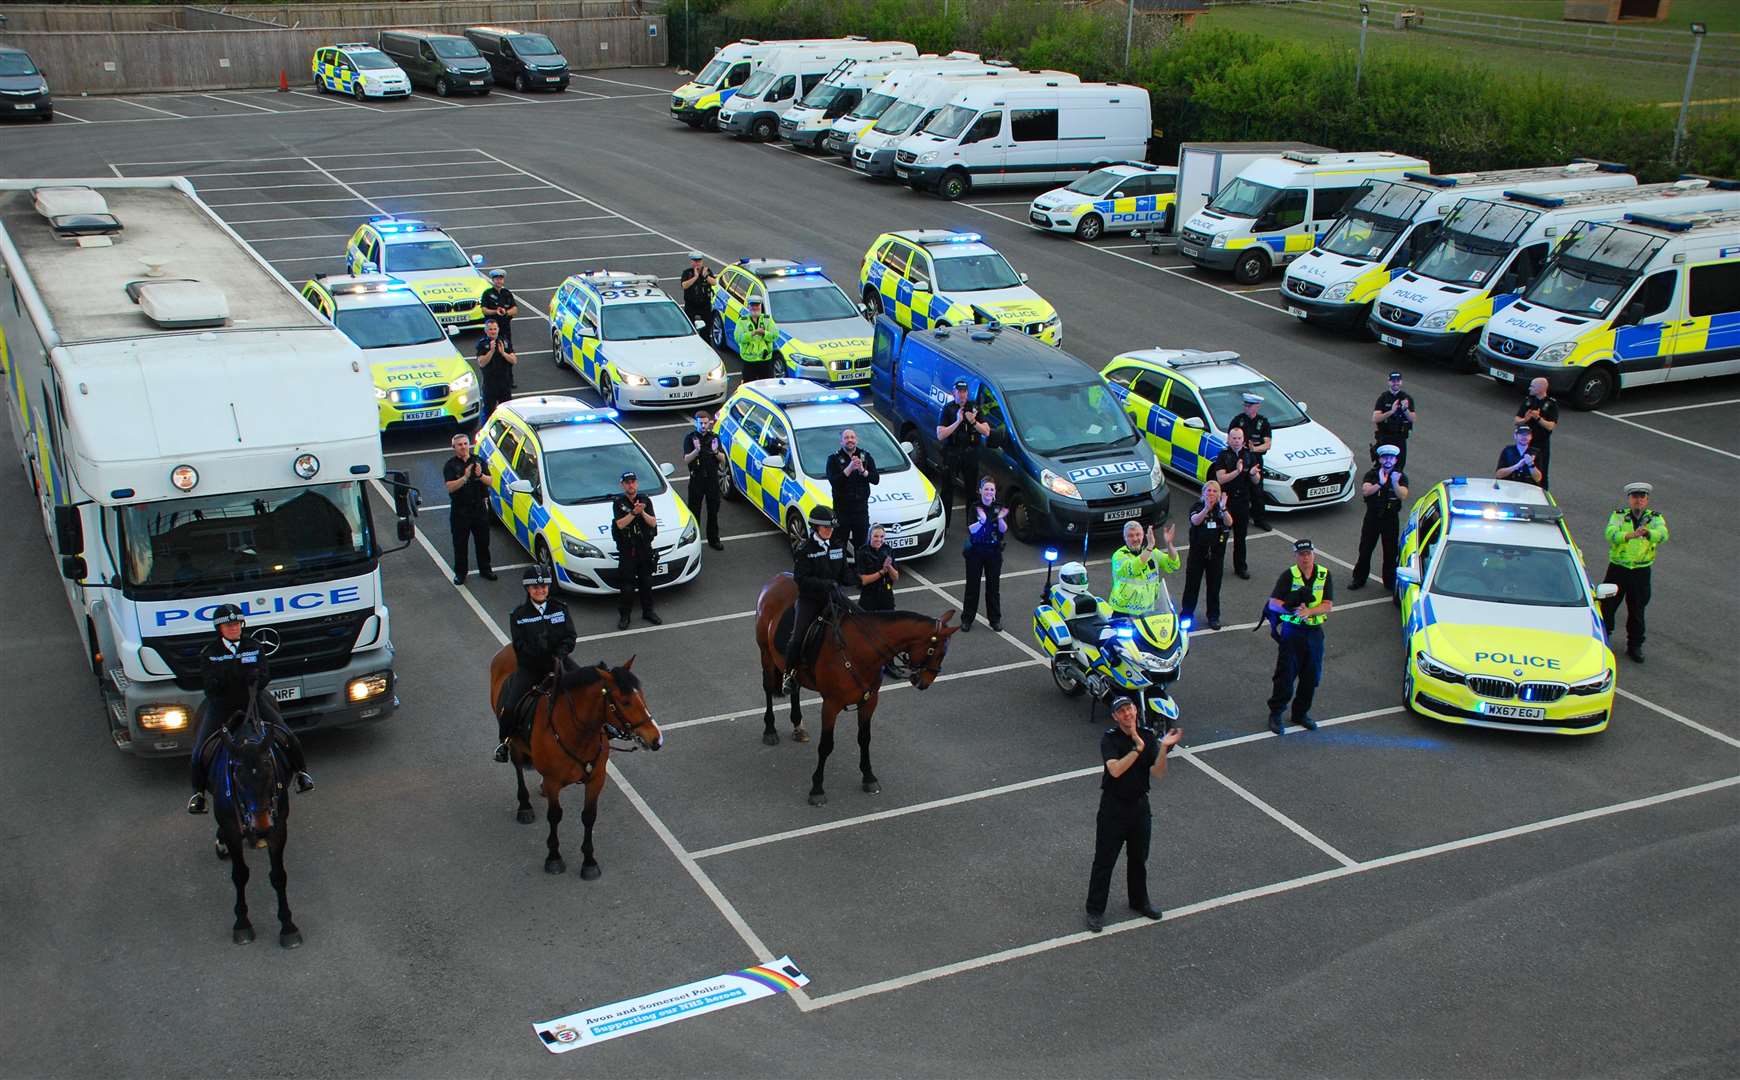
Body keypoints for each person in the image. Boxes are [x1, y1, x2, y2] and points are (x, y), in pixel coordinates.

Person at [187, 605, 312, 813]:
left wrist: (257, 679)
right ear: (220, 629)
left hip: (253, 701)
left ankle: (302, 774)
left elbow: (265, 675)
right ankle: (198, 795)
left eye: (236, 624)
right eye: (229, 625)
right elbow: (209, 686)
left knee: (288, 736)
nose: (234, 628)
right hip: (222, 705)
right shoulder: (210, 653)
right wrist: (224, 680)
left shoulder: (253, 646)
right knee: (199, 750)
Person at [1083, 695, 1182, 933]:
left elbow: (1157, 773)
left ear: (1136, 710)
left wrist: (1163, 750)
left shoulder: (1148, 736)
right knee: (1104, 861)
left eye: (1129, 709)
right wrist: (1137, 749)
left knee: (1139, 858)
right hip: (1113, 808)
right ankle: (1095, 910)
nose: (1127, 714)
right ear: (1116, 717)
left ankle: (1139, 901)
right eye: (1122, 711)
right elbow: (1115, 770)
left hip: (1139, 807)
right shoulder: (1110, 739)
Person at [493, 567, 578, 761]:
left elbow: (570, 636)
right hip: (531, 668)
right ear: (528, 589)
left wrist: (560, 653)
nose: (540, 590)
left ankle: (605, 727)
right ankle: (504, 742)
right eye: (535, 587)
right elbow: (520, 646)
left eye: (543, 586)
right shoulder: (519, 615)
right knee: (511, 705)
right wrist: (539, 652)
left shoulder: (560, 608)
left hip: (559, 660)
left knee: (589, 684)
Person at [782, 505, 855, 694]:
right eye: (825, 527)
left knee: (860, 618)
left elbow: (845, 574)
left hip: (834, 596)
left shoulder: (838, 546)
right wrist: (824, 584)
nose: (829, 530)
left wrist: (856, 575)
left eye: (831, 527)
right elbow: (801, 580)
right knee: (797, 637)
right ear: (815, 527)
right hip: (810, 600)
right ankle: (788, 674)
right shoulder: (805, 550)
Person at [1265, 539, 1333, 735]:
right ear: (1296, 556)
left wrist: (1309, 612)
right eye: (1302, 555)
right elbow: (1273, 603)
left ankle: (1300, 713)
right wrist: (1291, 608)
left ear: (1314, 554)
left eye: (1308, 554)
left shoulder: (1324, 574)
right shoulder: (1289, 575)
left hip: (1313, 632)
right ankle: (1276, 713)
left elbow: (1327, 604)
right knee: (1285, 675)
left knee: (1311, 677)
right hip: (1292, 633)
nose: (1305, 558)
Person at [1602, 481, 1668, 663]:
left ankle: (1635, 645)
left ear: (1646, 500)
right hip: (1618, 568)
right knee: (1607, 606)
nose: (1638, 501)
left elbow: (1663, 534)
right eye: (1634, 497)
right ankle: (1603, 639)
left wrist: (1648, 533)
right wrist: (1629, 535)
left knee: (1637, 610)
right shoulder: (1619, 516)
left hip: (1640, 570)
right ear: (1629, 499)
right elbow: (1610, 534)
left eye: (1642, 497)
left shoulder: (1655, 519)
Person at [1348, 444, 1409, 592]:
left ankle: (1389, 581)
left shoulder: (1400, 477)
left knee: (1390, 551)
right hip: (1373, 517)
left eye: (1391, 458)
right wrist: (1380, 483)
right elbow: (1366, 491)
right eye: (1385, 457)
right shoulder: (1372, 474)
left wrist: (1394, 482)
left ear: (1395, 460)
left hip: (1390, 518)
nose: (1388, 460)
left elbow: (1403, 494)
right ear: (1380, 459)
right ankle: (1359, 578)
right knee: (1366, 548)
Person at [935, 378, 990, 534]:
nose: (962, 395)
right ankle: (943, 527)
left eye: (964, 391)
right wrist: (958, 421)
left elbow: (986, 431)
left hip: (970, 454)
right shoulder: (948, 409)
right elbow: (940, 434)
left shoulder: (974, 408)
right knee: (947, 490)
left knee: (972, 491)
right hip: (952, 453)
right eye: (959, 392)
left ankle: (972, 523)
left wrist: (973, 422)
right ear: (954, 393)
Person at [610, 470, 661, 631]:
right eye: (627, 482)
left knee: (647, 583)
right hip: (628, 550)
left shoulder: (645, 500)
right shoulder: (619, 502)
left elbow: (653, 523)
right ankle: (625, 616)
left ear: (636, 483)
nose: (631, 485)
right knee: (627, 587)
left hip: (644, 548)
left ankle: (648, 612)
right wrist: (633, 512)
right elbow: (620, 524)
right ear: (622, 485)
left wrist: (642, 512)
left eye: (633, 481)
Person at [442, 431, 495, 585]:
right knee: (460, 544)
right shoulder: (450, 466)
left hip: (479, 509)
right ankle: (460, 573)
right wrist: (464, 477)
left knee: (483, 542)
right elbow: (450, 487)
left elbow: (490, 481)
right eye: (460, 445)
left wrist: (480, 475)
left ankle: (486, 569)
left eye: (465, 444)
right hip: (460, 511)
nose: (463, 447)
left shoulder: (478, 461)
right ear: (454, 447)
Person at [1180, 481, 1234, 631]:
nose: (1211, 493)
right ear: (1203, 493)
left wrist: (1223, 507)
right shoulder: (1197, 507)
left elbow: (1229, 522)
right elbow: (1195, 521)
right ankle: (1186, 616)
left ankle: (1213, 617)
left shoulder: (1221, 509)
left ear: (1219, 494)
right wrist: (1206, 509)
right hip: (1197, 554)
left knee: (1214, 587)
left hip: (1216, 555)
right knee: (1192, 587)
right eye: (1208, 490)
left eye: (1214, 491)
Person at [1212, 425, 1261, 580]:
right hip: (1227, 500)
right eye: (1233, 438)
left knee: (1241, 537)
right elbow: (1221, 478)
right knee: (1221, 535)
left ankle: (1241, 567)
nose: (1237, 441)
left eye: (1239, 438)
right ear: (1228, 439)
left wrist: (1252, 474)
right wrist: (1237, 472)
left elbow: (1256, 480)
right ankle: (1215, 566)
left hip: (1242, 501)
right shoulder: (1223, 456)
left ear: (1243, 439)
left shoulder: (1248, 456)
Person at [961, 476, 1009, 632]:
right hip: (976, 552)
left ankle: (995, 619)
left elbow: (1003, 530)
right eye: (986, 489)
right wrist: (981, 521)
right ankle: (967, 619)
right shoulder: (974, 507)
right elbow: (971, 530)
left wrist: (1000, 518)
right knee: (972, 587)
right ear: (980, 490)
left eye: (992, 489)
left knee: (993, 588)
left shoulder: (998, 507)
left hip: (994, 552)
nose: (989, 492)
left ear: (995, 493)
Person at [1108, 521, 1180, 616]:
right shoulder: (1119, 556)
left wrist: (1169, 544)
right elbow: (1133, 569)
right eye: (1130, 536)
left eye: (1138, 534)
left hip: (1148, 611)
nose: (1135, 539)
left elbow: (1173, 565)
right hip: (1124, 611)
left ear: (1143, 535)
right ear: (1125, 538)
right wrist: (1149, 546)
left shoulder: (1153, 553)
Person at [826, 427, 880, 553]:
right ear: (841, 442)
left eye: (852, 437)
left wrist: (862, 470)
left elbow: (875, 479)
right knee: (839, 545)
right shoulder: (833, 459)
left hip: (861, 509)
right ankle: (841, 571)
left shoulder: (865, 456)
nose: (850, 440)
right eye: (846, 438)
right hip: (842, 510)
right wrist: (849, 468)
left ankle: (860, 571)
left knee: (861, 546)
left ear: (857, 440)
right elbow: (834, 482)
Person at [682, 408, 727, 551]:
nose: (703, 426)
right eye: (700, 423)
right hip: (697, 479)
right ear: (696, 423)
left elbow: (723, 459)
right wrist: (696, 450)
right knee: (694, 511)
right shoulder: (690, 438)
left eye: (705, 423)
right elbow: (686, 459)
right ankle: (694, 542)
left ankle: (713, 539)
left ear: (710, 423)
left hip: (712, 480)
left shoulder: (714, 438)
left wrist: (715, 451)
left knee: (713, 511)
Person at [1227, 392, 1273, 531]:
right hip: (1239, 458)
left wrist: (1254, 449)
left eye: (1249, 405)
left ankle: (1259, 519)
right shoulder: (1238, 420)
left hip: (1255, 459)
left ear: (1257, 406)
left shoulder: (1263, 422)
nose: (1246, 408)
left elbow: (1268, 444)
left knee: (1257, 491)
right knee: (1237, 489)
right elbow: (1229, 439)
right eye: (1245, 405)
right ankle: (1234, 518)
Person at [1514, 378, 1559, 490]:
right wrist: (1526, 419)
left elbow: (1550, 426)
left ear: (1540, 389)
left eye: (1532, 386)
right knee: (1521, 469)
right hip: (1525, 443)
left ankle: (1543, 495)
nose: (1530, 388)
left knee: (1542, 472)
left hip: (1541, 444)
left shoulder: (1551, 404)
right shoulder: (1528, 400)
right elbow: (1516, 420)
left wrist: (1538, 418)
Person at [475, 318, 516, 429]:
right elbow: (481, 363)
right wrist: (491, 352)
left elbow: (514, 360)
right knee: (488, 413)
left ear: (498, 329)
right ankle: (485, 432)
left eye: (495, 329)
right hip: (490, 384)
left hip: (504, 383)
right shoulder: (482, 344)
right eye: (490, 329)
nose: (493, 331)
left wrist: (503, 353)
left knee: (507, 412)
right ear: (486, 331)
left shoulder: (505, 342)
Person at [1371, 370, 1416, 470]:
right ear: (1389, 382)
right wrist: (1391, 412)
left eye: (1398, 380)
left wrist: (1405, 410)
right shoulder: (1383, 397)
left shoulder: (1406, 398)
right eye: (1393, 381)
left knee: (1399, 465)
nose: (1395, 383)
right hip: (1385, 436)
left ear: (1401, 382)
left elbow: (1413, 418)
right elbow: (1375, 418)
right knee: (1382, 464)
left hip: (1400, 437)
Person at [856, 524, 900, 612]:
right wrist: (882, 572)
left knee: (888, 622)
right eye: (876, 536)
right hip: (869, 595)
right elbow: (864, 580)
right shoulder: (862, 552)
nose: (879, 539)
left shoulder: (888, 550)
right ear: (870, 536)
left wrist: (889, 567)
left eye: (882, 536)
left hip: (886, 592)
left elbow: (895, 577)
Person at [735, 295, 778, 382]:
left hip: (765, 360)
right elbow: (738, 338)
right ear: (749, 306)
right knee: (748, 387)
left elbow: (775, 336)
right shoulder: (742, 321)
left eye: (757, 305)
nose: (755, 308)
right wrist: (753, 333)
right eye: (752, 305)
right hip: (749, 361)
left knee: (767, 386)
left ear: (760, 306)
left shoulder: (767, 319)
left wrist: (764, 333)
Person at [480, 268, 518, 354]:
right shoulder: (487, 293)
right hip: (492, 329)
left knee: (507, 350)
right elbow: (484, 310)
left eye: (501, 279)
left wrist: (506, 312)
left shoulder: (507, 293)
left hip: (505, 328)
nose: (499, 281)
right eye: (496, 279)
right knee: (491, 350)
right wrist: (495, 311)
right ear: (493, 280)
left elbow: (515, 309)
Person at [679, 252, 716, 324]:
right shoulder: (687, 272)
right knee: (690, 325)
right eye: (695, 262)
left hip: (705, 305)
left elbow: (714, 282)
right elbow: (684, 285)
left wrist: (706, 276)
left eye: (699, 262)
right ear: (692, 262)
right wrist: (695, 277)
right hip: (691, 305)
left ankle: (705, 335)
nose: (697, 264)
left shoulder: (706, 271)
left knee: (708, 326)